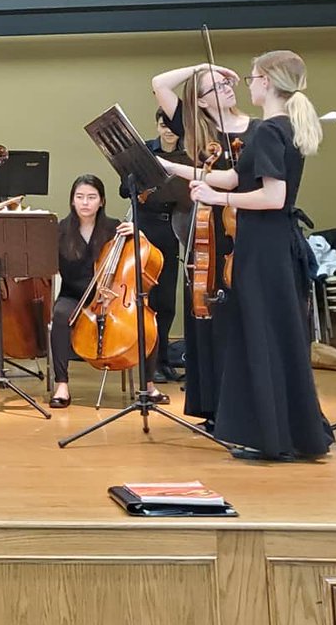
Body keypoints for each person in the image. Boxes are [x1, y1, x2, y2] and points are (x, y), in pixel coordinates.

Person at [185, 51, 332, 460]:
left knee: (261, 338)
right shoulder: (284, 126)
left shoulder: (268, 130)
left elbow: (272, 196)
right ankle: (287, 435)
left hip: (264, 248)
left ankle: (273, 440)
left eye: (251, 78)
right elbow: (236, 176)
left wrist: (218, 198)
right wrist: (174, 169)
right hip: (275, 245)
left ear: (267, 81)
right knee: (276, 338)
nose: (248, 85)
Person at [151, 61, 259, 426]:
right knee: (210, 319)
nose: (227, 87)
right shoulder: (199, 132)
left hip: (248, 228)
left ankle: (247, 406)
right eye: (216, 86)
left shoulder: (258, 129)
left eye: (227, 83)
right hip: (209, 235)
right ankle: (214, 406)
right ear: (200, 101)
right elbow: (160, 82)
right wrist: (203, 66)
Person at [47, 175, 168, 409]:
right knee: (60, 315)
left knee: (145, 321)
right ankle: (62, 385)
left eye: (91, 197)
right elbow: (54, 268)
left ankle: (149, 385)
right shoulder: (60, 231)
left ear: (101, 201)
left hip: (113, 297)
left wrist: (139, 234)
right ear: (72, 200)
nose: (85, 203)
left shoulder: (115, 229)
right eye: (80, 197)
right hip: (75, 296)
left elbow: (140, 254)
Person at [119, 109, 188, 384]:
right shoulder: (145, 151)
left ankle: (163, 360)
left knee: (167, 301)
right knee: (147, 299)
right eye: (163, 125)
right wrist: (139, 183)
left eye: (173, 125)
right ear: (157, 126)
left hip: (172, 227)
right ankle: (149, 364)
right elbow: (124, 190)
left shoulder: (187, 156)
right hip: (145, 228)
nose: (168, 130)